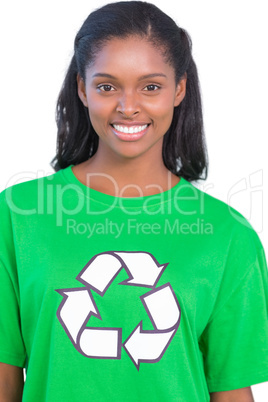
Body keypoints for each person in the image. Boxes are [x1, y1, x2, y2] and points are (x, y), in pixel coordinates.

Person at [0, 1, 267, 401]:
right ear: (81, 88)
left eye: (151, 86)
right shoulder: (18, 216)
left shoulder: (227, 234)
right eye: (107, 86)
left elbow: (229, 390)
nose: (128, 107)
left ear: (179, 90)